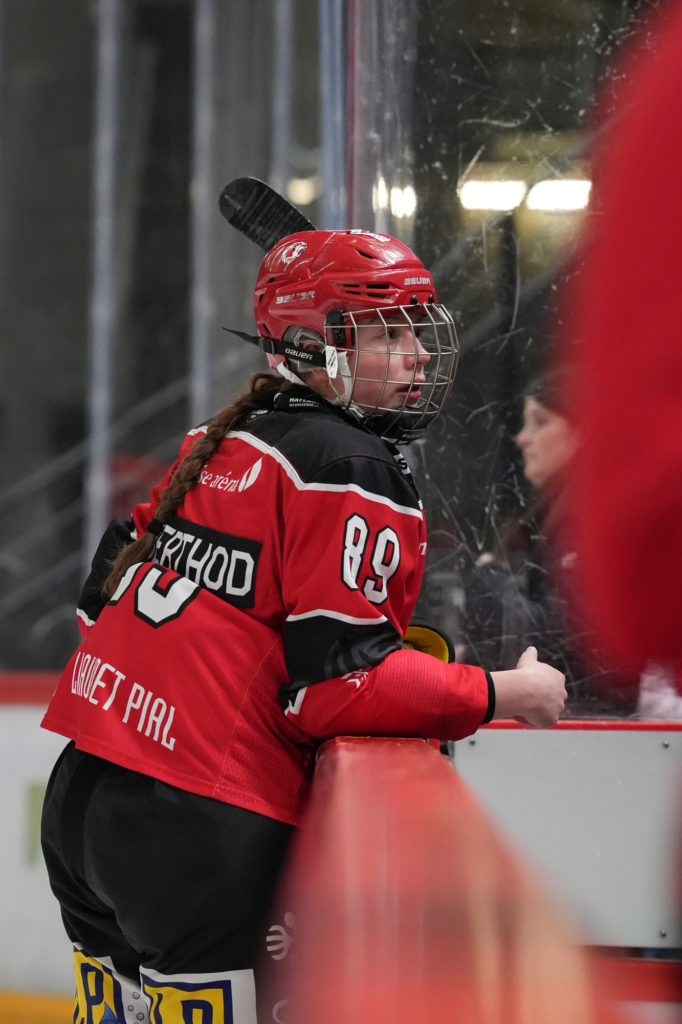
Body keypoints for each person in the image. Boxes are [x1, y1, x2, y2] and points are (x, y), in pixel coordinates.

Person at [40, 227, 566, 1024]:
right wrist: (505, 691)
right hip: (198, 827)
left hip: (83, 796)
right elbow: (338, 690)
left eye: (417, 329)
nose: (419, 354)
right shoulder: (351, 464)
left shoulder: (216, 442)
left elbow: (97, 603)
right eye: (388, 334)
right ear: (310, 348)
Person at [461, 367, 638, 716]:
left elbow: (573, 643)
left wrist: (488, 579)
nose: (522, 439)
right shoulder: (552, 518)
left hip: (598, 726)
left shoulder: (592, 524)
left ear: (583, 433)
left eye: (539, 422)